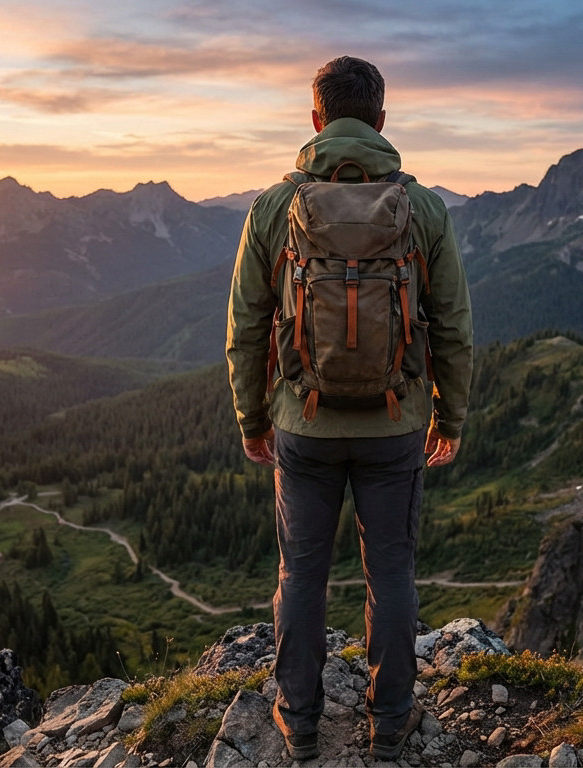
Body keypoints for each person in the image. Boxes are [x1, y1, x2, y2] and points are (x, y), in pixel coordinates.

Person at [225, 55, 473, 762]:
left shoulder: (275, 207)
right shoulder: (422, 208)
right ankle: (390, 718)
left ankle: (298, 720)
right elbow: (453, 323)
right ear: (382, 121)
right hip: (397, 426)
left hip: (302, 423)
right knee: (390, 571)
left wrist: (252, 419)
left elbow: (245, 325)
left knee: (299, 572)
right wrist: (448, 419)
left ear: (315, 119)